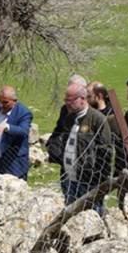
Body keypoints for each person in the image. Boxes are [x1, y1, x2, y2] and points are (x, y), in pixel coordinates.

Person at [45, 81, 111, 213]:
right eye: (65, 100)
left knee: (91, 214)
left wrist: (97, 180)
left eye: (70, 100)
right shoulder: (69, 118)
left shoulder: (97, 120)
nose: (67, 103)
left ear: (82, 99)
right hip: (68, 178)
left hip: (88, 182)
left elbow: (106, 152)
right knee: (71, 215)